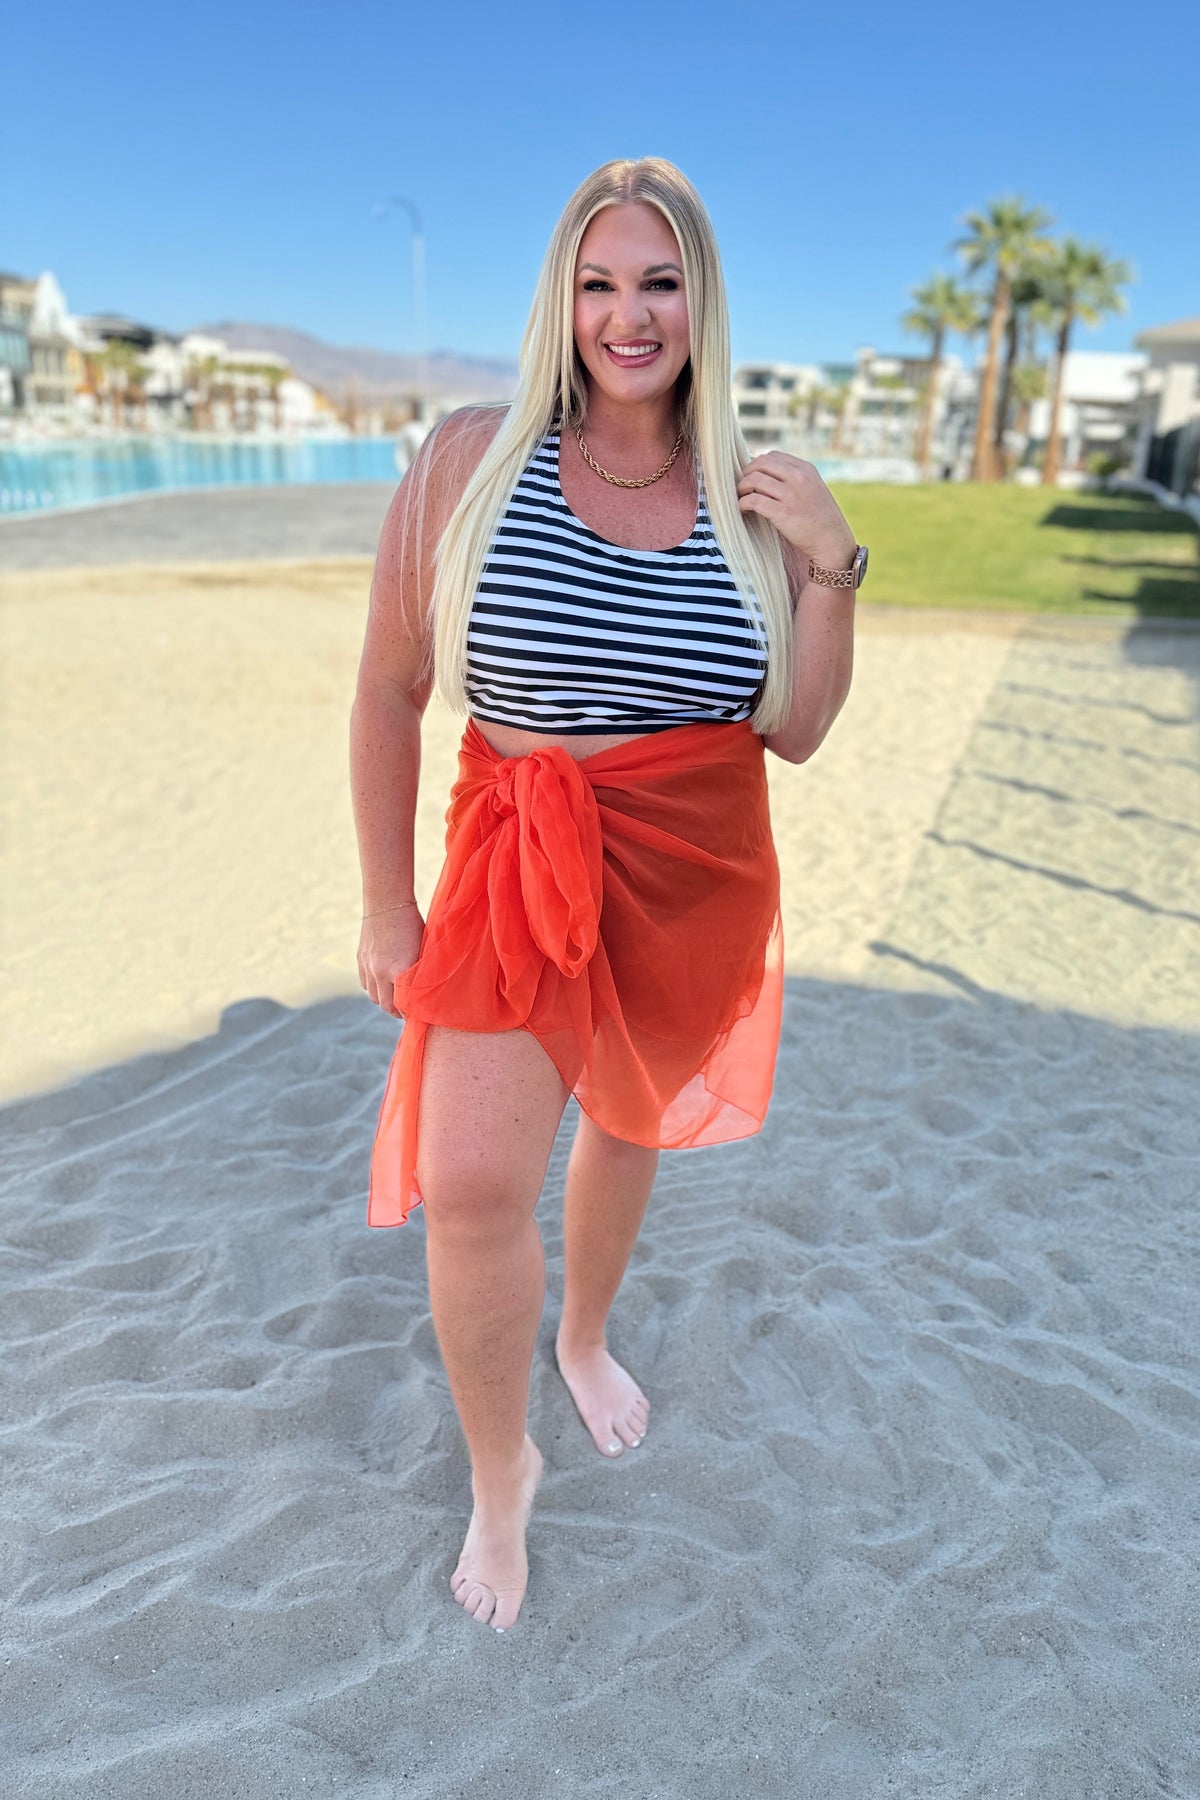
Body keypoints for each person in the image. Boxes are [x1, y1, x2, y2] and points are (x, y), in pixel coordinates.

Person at [349, 157, 866, 1634]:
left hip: (693, 868)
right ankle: (500, 1471)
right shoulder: (469, 456)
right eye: (597, 283)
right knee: (472, 1187)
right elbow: (389, 689)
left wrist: (834, 562)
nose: (627, 316)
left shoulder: (755, 496)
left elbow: (797, 730)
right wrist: (388, 902)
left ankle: (583, 1336)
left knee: (630, 1123)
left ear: (703, 299)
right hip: (517, 863)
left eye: (658, 281)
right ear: (559, 301)